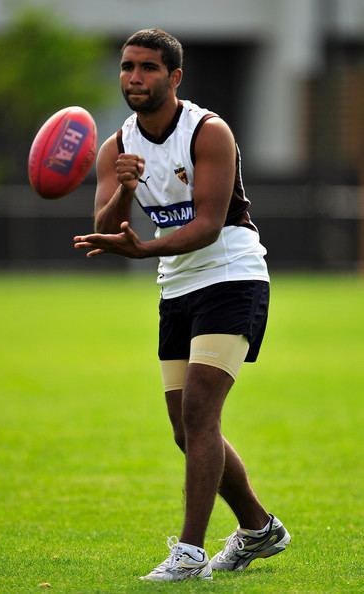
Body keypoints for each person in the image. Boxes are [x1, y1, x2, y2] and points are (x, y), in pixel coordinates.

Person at [74, 28, 290, 582]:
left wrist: (143, 247)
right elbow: (104, 226)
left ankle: (190, 555)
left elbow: (209, 225)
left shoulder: (208, 131)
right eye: (127, 67)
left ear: (174, 77)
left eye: (148, 68)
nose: (134, 78)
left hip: (232, 275)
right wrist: (125, 189)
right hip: (177, 286)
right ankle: (260, 529)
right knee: (185, 428)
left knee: (199, 412)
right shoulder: (117, 146)